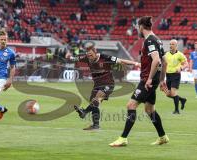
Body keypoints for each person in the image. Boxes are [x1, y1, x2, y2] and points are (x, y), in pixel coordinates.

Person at [109, 16, 169, 147]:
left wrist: (149, 79)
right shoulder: (157, 40)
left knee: (131, 105)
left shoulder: (150, 41)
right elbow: (165, 62)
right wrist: (162, 79)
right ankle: (163, 137)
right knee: (149, 109)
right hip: (153, 79)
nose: (137, 29)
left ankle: (123, 138)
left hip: (148, 80)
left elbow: (157, 60)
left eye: (137, 27)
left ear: (141, 27)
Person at [66, 41, 140, 130]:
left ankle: (84, 112)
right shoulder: (86, 58)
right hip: (97, 85)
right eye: (88, 55)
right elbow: (73, 59)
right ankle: (95, 125)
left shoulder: (105, 58)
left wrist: (135, 63)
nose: (89, 57)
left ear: (95, 53)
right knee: (94, 104)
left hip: (108, 84)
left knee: (96, 100)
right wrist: (69, 56)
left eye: (91, 55)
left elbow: (121, 61)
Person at [164, 39, 188, 114]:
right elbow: (164, 65)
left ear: (176, 46)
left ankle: (177, 110)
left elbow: (186, 64)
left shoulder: (180, 54)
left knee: (173, 92)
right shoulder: (166, 54)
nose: (171, 46)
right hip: (168, 75)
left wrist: (181, 68)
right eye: (170, 44)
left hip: (176, 75)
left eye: (172, 44)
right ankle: (182, 99)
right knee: (168, 94)